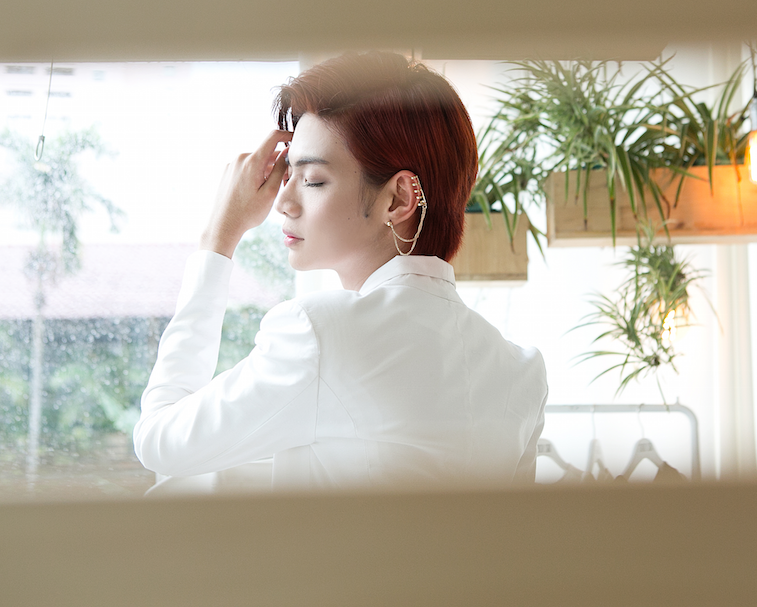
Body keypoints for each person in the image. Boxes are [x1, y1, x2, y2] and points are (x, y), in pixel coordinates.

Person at [133, 52, 547, 490]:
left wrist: (218, 238)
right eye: (287, 175)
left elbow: (160, 441)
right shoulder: (521, 372)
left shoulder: (320, 334)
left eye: (312, 179)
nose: (283, 201)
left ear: (398, 199)